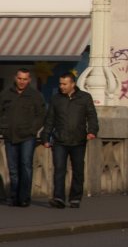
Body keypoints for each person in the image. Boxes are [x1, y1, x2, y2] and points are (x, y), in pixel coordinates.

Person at [42, 73, 99, 208]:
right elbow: (50, 119)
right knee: (59, 169)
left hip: (78, 140)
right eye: (60, 84)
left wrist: (92, 131)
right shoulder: (56, 99)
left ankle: (75, 198)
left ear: (72, 84)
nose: (61, 86)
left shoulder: (85, 98)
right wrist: (45, 137)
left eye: (64, 84)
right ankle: (59, 198)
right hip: (60, 140)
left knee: (78, 170)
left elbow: (92, 116)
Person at [0, 68, 46, 207]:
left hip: (27, 136)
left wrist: (33, 130)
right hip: (10, 135)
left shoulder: (35, 95)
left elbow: (41, 115)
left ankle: (24, 197)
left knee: (26, 166)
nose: (22, 82)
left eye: (25, 79)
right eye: (20, 79)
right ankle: (14, 196)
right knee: (13, 168)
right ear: (15, 78)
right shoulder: (6, 94)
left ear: (29, 80)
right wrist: (3, 127)